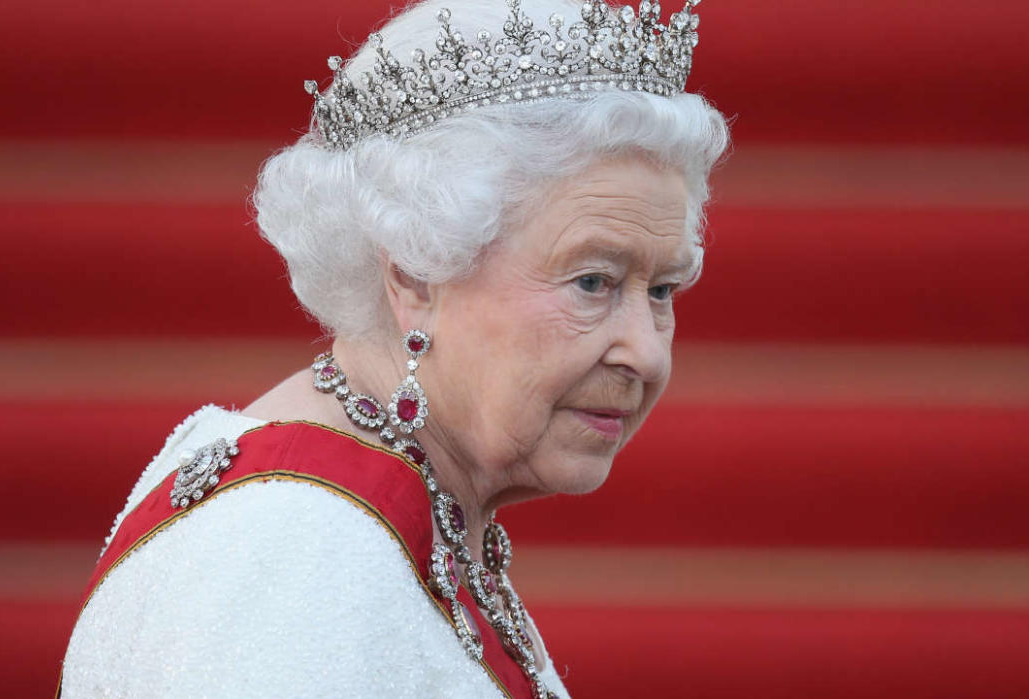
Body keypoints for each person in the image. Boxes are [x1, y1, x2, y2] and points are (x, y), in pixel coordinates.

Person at [59, 0, 728, 696]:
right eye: (593, 281)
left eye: (663, 290)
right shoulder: (293, 558)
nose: (646, 354)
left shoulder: (379, 515)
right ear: (415, 269)